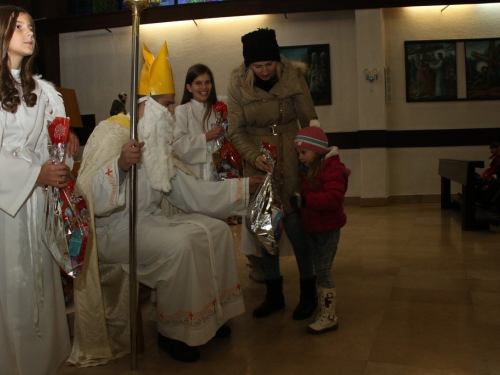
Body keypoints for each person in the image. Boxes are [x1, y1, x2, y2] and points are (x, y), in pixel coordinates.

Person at [70, 42, 248, 365]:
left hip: (149, 220)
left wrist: (243, 191)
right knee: (180, 246)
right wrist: (121, 167)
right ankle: (173, 333)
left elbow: (183, 189)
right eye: (166, 106)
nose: (171, 113)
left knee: (217, 231)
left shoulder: (156, 137)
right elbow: (86, 197)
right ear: (146, 105)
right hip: (114, 229)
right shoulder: (110, 134)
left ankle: (213, 316)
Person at [0, 5, 79, 374]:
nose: (29, 33)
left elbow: (53, 147)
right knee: (12, 288)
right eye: (19, 27)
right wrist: (34, 174)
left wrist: (65, 150)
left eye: (31, 27)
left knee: (39, 285)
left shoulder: (43, 92)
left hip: (35, 207)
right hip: (7, 205)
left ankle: (41, 363)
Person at [227, 28, 321, 320]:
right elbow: (235, 130)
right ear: (248, 66)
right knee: (266, 229)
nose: (265, 71)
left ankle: (309, 292)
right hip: (259, 162)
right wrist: (255, 157)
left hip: (291, 157)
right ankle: (274, 294)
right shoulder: (237, 82)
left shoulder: (292, 75)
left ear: (277, 60)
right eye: (258, 66)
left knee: (296, 226)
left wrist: (317, 157)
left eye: (269, 64)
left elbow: (309, 118)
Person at [291, 125, 349, 334]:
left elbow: (334, 198)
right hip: (315, 228)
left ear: (316, 151)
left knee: (323, 272)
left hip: (328, 229)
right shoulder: (310, 169)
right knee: (320, 269)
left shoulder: (332, 169)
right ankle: (325, 310)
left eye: (303, 152)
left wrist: (305, 200)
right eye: (298, 153)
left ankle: (329, 316)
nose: (300, 157)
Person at [173, 63, 224, 181]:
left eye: (207, 82)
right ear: (189, 87)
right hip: (192, 174)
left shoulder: (218, 110)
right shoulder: (182, 111)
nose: (204, 87)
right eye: (198, 83)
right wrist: (205, 137)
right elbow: (177, 146)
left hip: (218, 172)